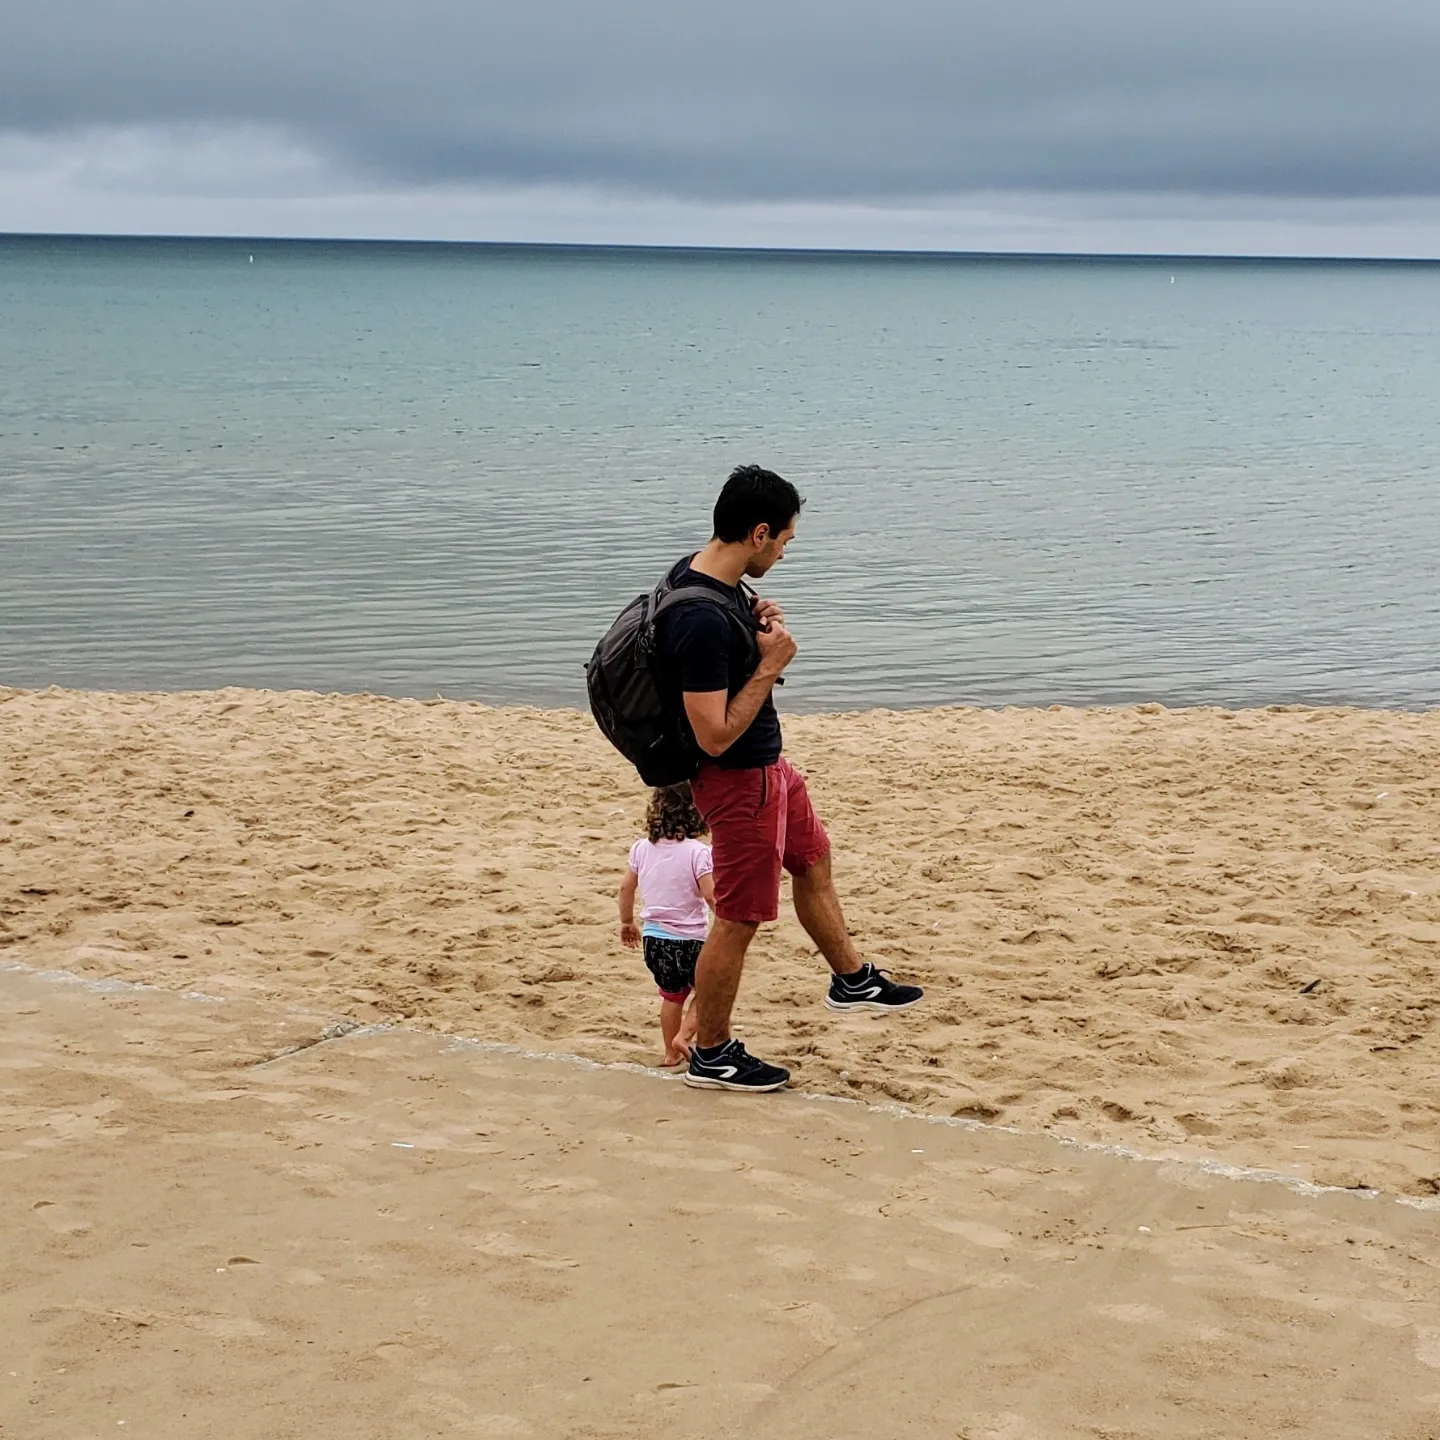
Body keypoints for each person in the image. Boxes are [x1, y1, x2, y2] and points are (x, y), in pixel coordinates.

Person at [657, 464, 924, 1094]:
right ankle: (713, 1053)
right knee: (740, 918)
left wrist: (757, 632)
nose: (784, 551)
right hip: (735, 777)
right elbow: (713, 734)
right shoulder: (698, 618)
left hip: (769, 766)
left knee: (812, 858)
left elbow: (727, 654)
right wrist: (772, 664)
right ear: (757, 533)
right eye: (783, 541)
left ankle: (851, 979)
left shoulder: (707, 580)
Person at [618, 784, 715, 1067]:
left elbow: (626, 889)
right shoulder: (698, 852)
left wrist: (627, 922)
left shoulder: (641, 848)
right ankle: (684, 1038)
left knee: (672, 996)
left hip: (654, 939)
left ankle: (670, 1054)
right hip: (689, 939)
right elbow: (710, 894)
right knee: (709, 992)